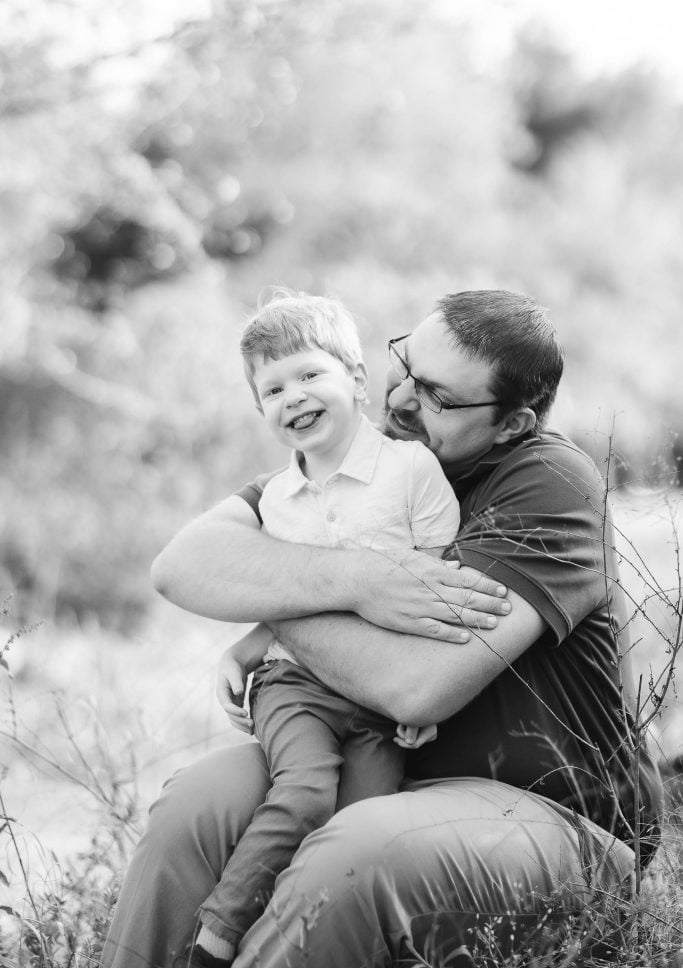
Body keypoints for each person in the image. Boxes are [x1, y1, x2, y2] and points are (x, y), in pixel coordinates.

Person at [102, 290, 663, 968]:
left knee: (356, 853)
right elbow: (185, 565)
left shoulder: (546, 482)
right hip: (392, 768)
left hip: (557, 819)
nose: (399, 399)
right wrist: (358, 581)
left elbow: (415, 688)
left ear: (511, 423)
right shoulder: (369, 459)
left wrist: (281, 593)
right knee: (194, 805)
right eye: (402, 365)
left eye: (436, 396)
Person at [192, 291, 461, 966]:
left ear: (358, 381)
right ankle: (214, 939)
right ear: (261, 410)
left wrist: (425, 698)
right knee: (305, 789)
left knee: (359, 830)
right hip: (293, 683)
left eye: (311, 374)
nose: (294, 397)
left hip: (378, 694)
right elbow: (285, 596)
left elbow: (437, 583)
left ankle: (298, 944)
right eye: (273, 388)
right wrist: (249, 643)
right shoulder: (274, 501)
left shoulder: (409, 471)